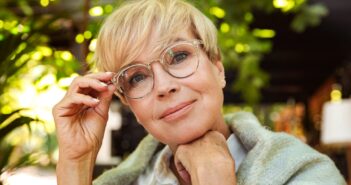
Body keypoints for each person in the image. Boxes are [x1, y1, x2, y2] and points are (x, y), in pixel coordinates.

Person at [52, 0, 346, 184]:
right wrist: (75, 162)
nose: (164, 86)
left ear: (217, 68)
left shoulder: (306, 174)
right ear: (129, 105)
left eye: (179, 57)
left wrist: (216, 176)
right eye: (137, 77)